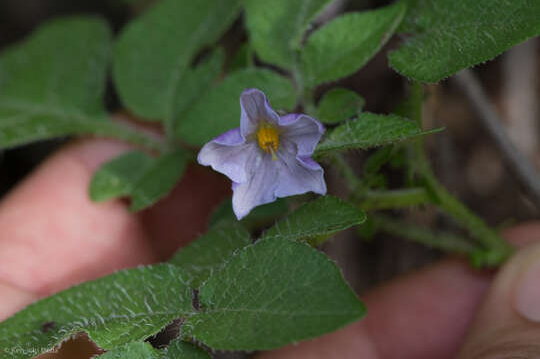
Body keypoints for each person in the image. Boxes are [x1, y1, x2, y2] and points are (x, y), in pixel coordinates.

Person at [0, 139, 539, 359]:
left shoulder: (278, 139)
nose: (265, 142)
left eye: (271, 137)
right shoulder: (266, 139)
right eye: (259, 136)